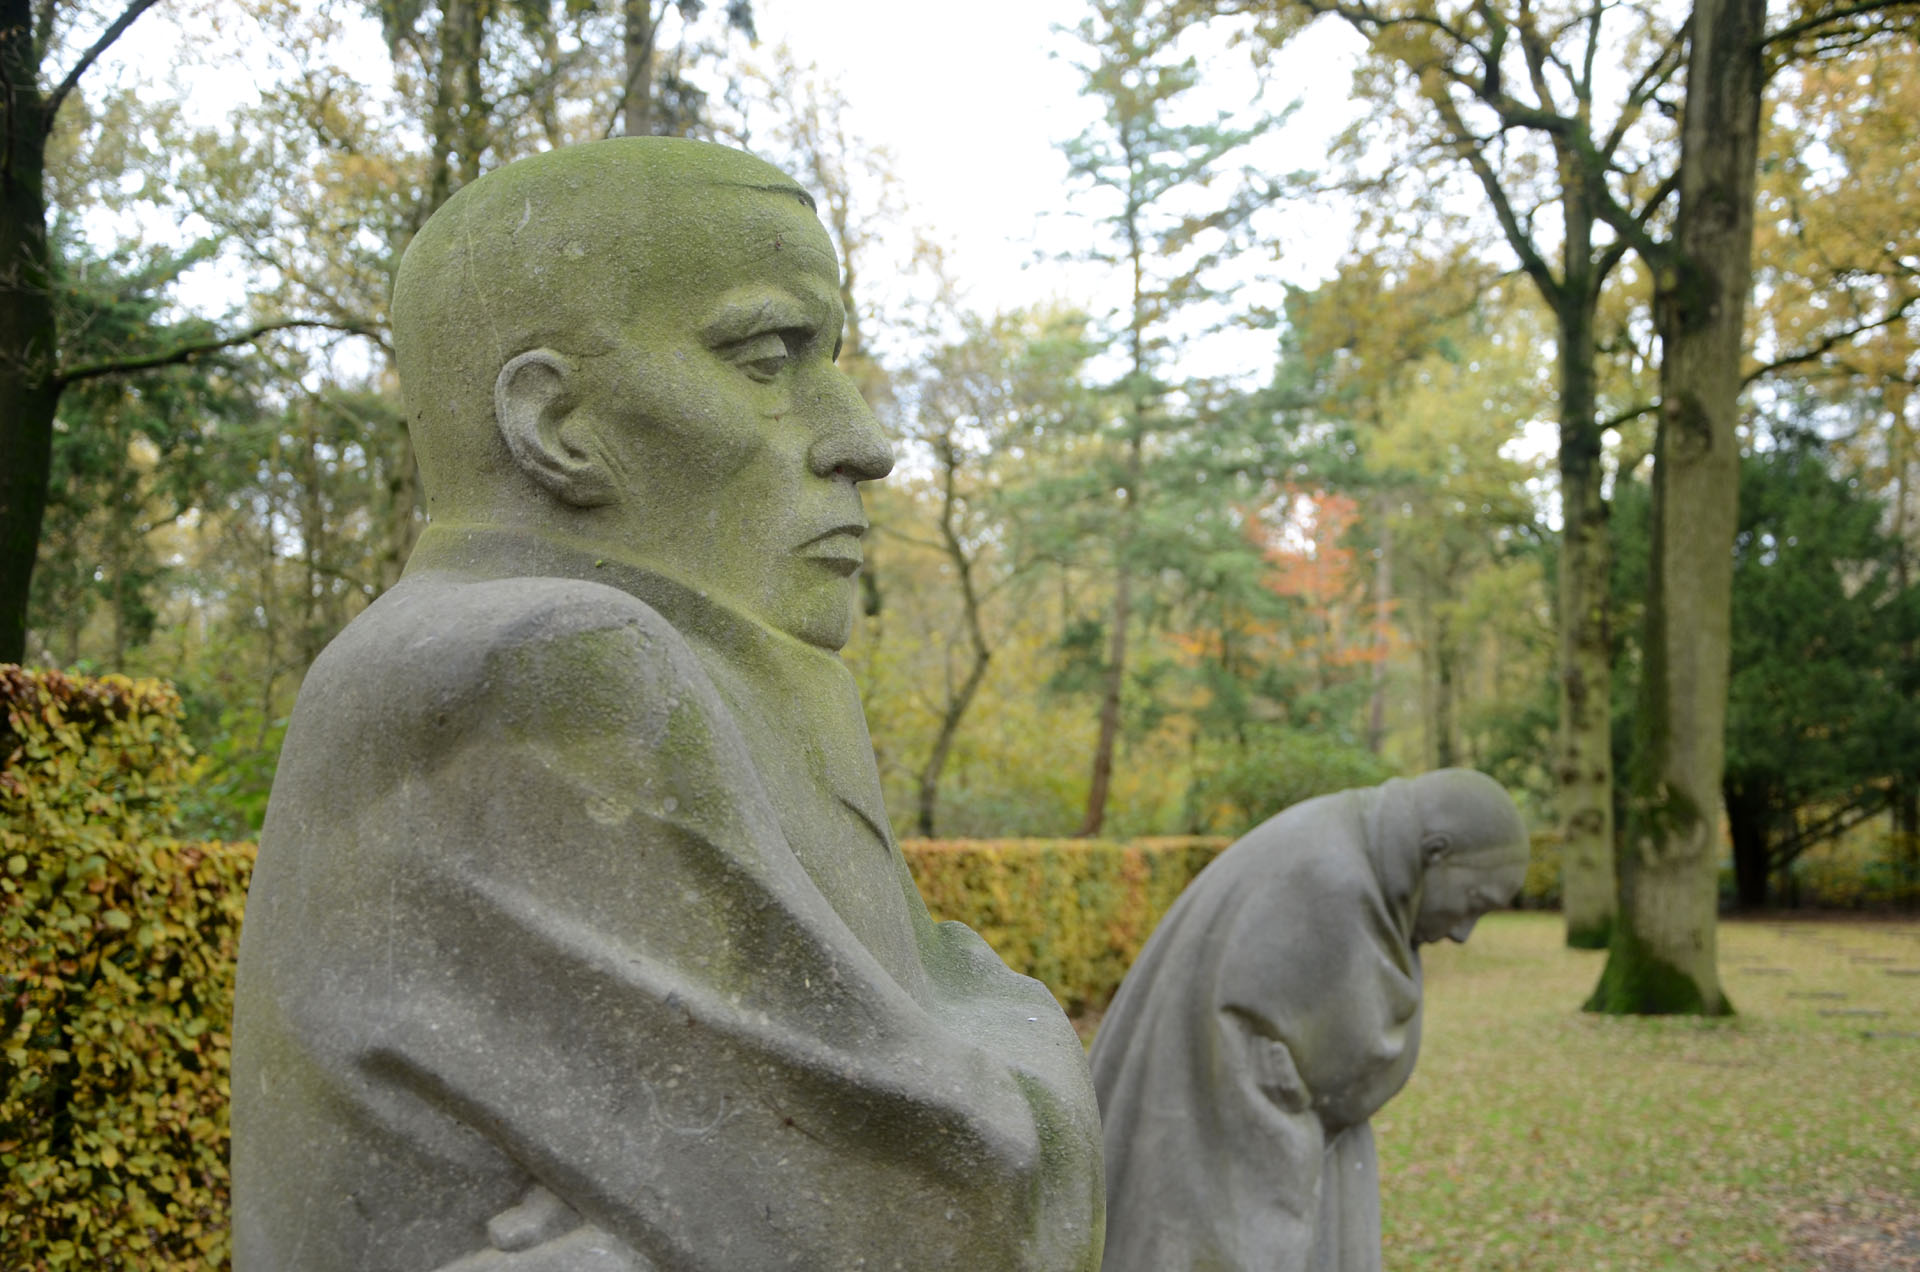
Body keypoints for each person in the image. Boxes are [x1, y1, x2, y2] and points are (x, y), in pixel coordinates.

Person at [231, 138, 1104, 1272]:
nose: (864, 444)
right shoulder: (539, 666)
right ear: (558, 427)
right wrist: (1025, 1030)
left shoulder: (702, 670)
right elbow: (963, 1202)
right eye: (766, 358)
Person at [1088, 769, 1529, 1272]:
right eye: (1475, 903)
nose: (1465, 933)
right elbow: (1349, 1067)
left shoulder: (1346, 847)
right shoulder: (1334, 883)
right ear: (1435, 851)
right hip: (1218, 1156)